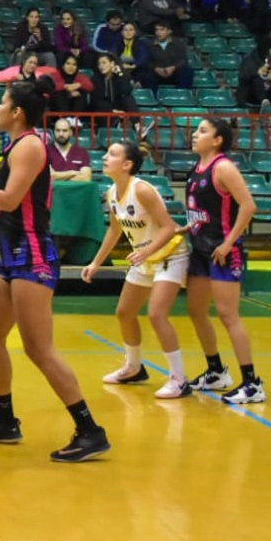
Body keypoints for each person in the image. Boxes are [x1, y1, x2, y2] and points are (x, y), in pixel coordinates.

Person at [0, 80, 111, 462]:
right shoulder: (12, 147)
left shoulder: (28, 145)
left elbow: (8, 200)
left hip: (32, 255)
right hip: (9, 255)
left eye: (1, 104)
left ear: (17, 112)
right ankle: (5, 421)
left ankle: (90, 429)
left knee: (39, 349)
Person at [81, 141, 193, 399]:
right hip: (145, 258)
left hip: (170, 254)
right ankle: (134, 367)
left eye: (112, 154)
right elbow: (114, 229)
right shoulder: (111, 193)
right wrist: (96, 262)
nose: (105, 157)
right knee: (124, 312)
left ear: (127, 164)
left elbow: (168, 228)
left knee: (156, 314)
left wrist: (145, 251)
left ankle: (179, 379)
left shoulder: (141, 190)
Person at [183, 118, 264, 403]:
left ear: (218, 140)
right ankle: (216, 371)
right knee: (195, 310)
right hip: (201, 250)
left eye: (203, 131)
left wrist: (229, 243)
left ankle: (252, 383)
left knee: (229, 316)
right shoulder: (197, 169)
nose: (195, 134)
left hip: (223, 252)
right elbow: (203, 213)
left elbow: (249, 205)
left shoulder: (223, 167)